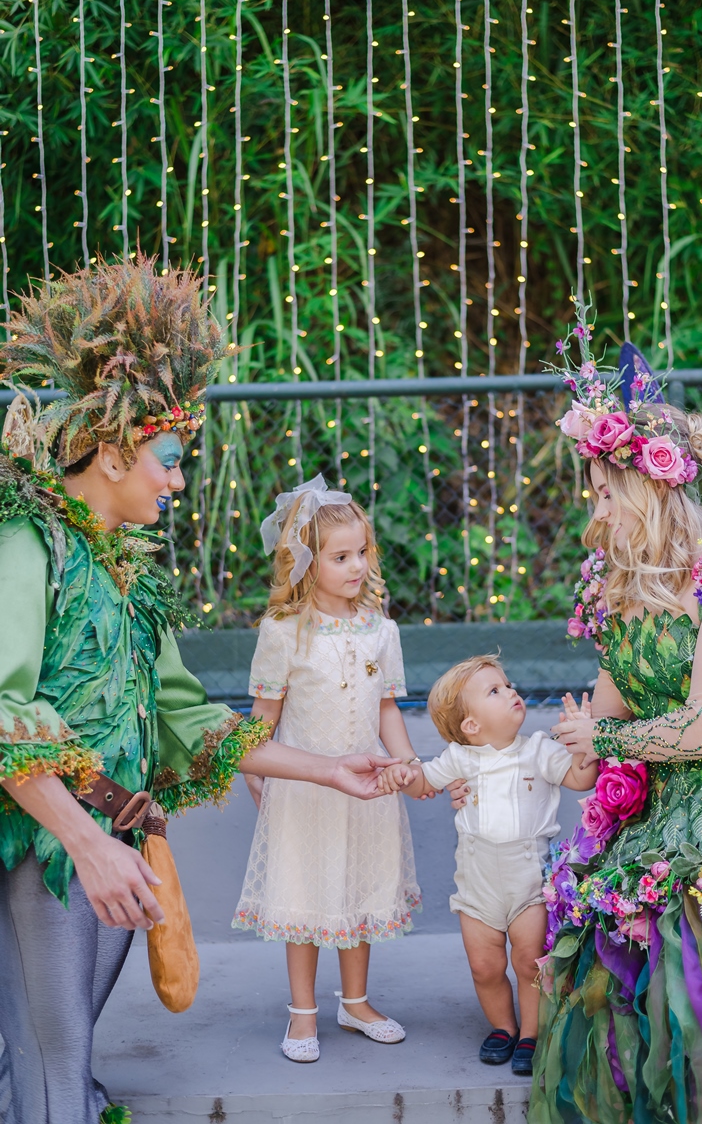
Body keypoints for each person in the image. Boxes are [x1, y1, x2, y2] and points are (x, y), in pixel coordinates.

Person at [0, 257, 397, 1124]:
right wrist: (88, 843)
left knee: (62, 1054)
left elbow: (188, 716)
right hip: (50, 846)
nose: (178, 483)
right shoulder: (28, 545)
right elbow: (3, 717)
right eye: (168, 461)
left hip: (115, 842)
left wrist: (327, 770)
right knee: (53, 1064)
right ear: (111, 452)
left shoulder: (134, 579)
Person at [527, 313, 702, 1123]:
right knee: (625, 996)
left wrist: (603, 738)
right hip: (659, 816)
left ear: (648, 487)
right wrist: (569, 752)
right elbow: (593, 744)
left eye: (605, 489)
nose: (595, 506)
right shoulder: (619, 598)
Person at [233, 475, 421, 1063]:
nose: (357, 566)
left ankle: (356, 1001)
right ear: (306, 562)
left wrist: (408, 764)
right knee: (305, 900)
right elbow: (261, 719)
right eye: (341, 557)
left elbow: (388, 708)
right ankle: (303, 1011)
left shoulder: (380, 631)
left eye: (363, 552)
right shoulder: (282, 632)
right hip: (305, 789)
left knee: (361, 894)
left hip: (367, 789)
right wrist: (255, 772)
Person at [381, 654, 597, 1077]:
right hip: (478, 886)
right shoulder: (459, 758)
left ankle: (531, 1033)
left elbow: (578, 778)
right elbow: (425, 782)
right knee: (484, 965)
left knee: (529, 960)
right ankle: (503, 1026)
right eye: (494, 691)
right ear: (471, 727)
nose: (511, 691)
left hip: (529, 883)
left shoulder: (538, 749)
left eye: (508, 683)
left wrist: (582, 745)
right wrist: (404, 776)